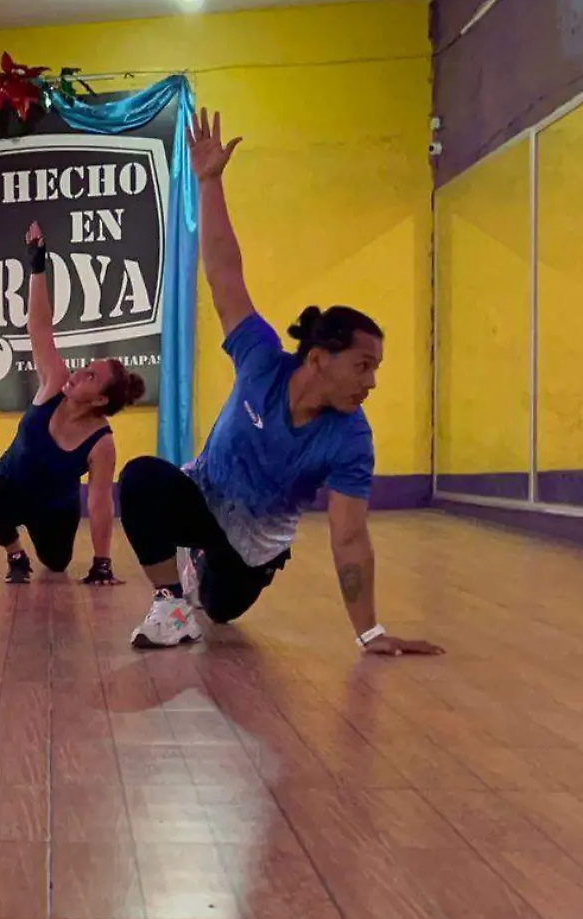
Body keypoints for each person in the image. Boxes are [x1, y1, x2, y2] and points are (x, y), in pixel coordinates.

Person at [119, 108, 443, 658]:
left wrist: (369, 631)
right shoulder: (260, 359)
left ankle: (200, 578)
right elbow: (224, 273)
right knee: (141, 479)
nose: (371, 383)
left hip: (252, 550)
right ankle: (171, 601)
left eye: (376, 370)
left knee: (220, 612)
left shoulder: (350, 439)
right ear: (318, 359)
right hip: (203, 498)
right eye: (363, 366)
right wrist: (209, 181)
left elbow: (349, 536)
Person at [0, 222, 144, 585]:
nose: (81, 373)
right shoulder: (54, 383)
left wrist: (102, 562)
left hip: (54, 510)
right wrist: (37, 266)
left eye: (92, 376)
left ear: (100, 399)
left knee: (56, 563)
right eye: (86, 368)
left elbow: (100, 503)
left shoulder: (102, 443)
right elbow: (40, 329)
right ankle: (16, 555)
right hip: (11, 488)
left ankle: (43, 548)